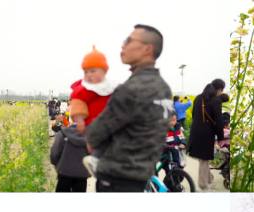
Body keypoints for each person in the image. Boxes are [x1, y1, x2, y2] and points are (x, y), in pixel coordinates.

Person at [86, 25, 174, 192]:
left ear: (147, 49)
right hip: (142, 178)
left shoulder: (130, 89)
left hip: (116, 179)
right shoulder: (164, 89)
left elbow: (93, 136)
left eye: (129, 40)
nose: (122, 45)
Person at [188, 79, 226, 191]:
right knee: (204, 159)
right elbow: (219, 121)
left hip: (195, 131)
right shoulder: (216, 100)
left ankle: (208, 178)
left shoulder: (198, 97)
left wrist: (198, 126)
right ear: (219, 89)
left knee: (203, 158)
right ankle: (203, 185)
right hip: (206, 134)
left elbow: (194, 114)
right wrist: (220, 137)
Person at [50, 123, 90, 192]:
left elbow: (54, 155)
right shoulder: (90, 136)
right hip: (81, 175)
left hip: (64, 172)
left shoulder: (62, 133)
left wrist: (57, 166)